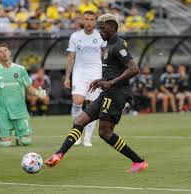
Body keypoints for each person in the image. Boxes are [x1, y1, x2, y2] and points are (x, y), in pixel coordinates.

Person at [45, 13, 148, 173]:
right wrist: (101, 79)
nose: (100, 31)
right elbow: (115, 70)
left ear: (113, 27)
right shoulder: (108, 45)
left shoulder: (119, 45)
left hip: (117, 93)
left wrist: (111, 82)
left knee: (105, 133)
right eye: (99, 28)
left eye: (103, 28)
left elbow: (134, 69)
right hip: (108, 91)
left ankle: (138, 161)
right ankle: (59, 154)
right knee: (79, 121)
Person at [0, 42, 46, 146]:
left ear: (9, 53)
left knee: (26, 142)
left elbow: (29, 87)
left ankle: (19, 134)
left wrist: (38, 93)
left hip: (20, 110)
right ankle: (10, 134)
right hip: (3, 111)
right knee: (6, 144)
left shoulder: (20, 69)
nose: (3, 53)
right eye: (0, 52)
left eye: (5, 51)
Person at [64, 10, 105, 147]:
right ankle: (77, 133)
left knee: (92, 106)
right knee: (77, 101)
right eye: (86, 19)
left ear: (95, 21)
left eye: (91, 19)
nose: (88, 22)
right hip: (79, 73)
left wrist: (106, 75)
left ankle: (88, 137)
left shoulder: (100, 36)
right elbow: (71, 57)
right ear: (82, 20)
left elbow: (106, 55)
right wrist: (67, 77)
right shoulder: (75, 36)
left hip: (95, 73)